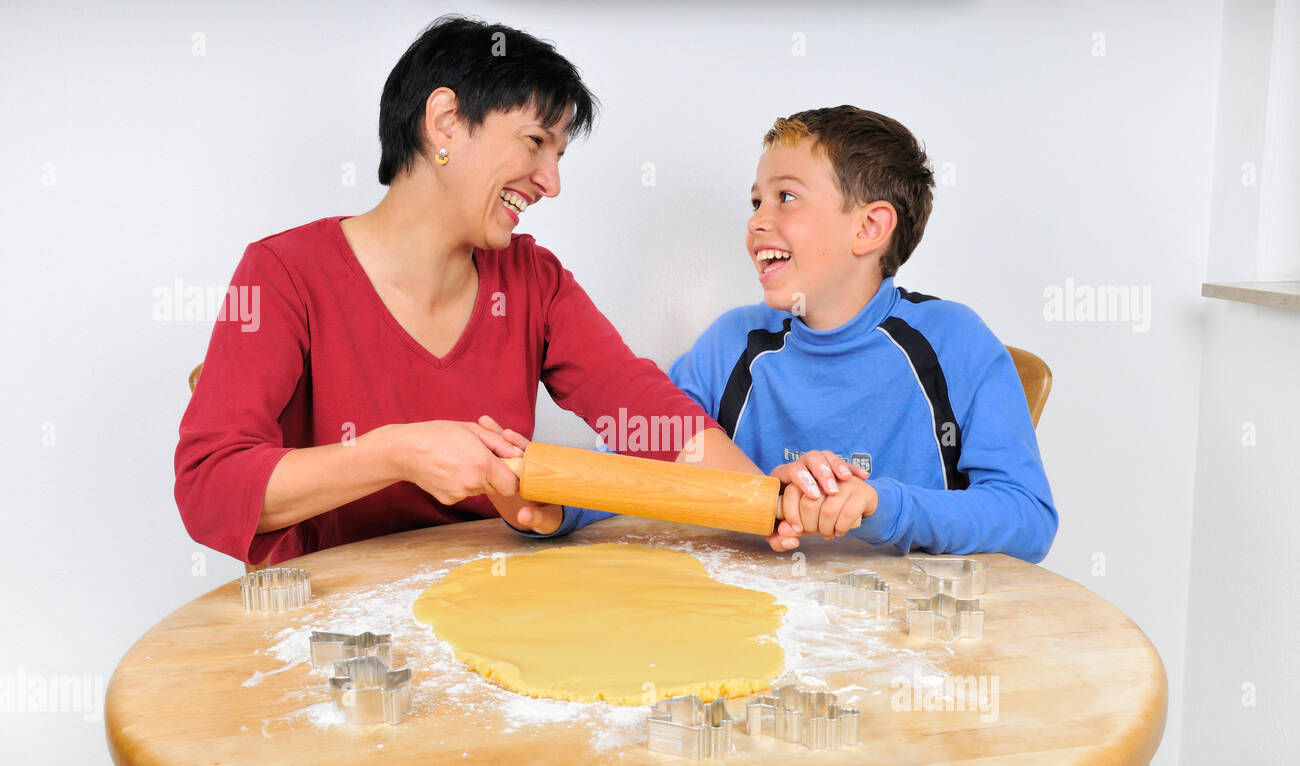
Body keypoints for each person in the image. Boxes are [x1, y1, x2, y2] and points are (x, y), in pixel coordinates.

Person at [173, 15, 773, 566]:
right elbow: (209, 488)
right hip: (340, 635)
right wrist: (395, 453)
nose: (551, 182)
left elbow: (656, 423)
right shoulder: (285, 273)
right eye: (535, 142)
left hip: (491, 605)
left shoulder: (536, 283)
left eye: (559, 155)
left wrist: (768, 505)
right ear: (445, 123)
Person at [555, 106, 1058, 563]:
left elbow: (1028, 519)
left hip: (907, 637)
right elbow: (646, 460)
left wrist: (882, 505)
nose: (757, 221)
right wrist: (556, 504)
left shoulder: (954, 342)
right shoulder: (731, 343)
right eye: (756, 202)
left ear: (869, 228)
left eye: (786, 197)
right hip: (747, 616)